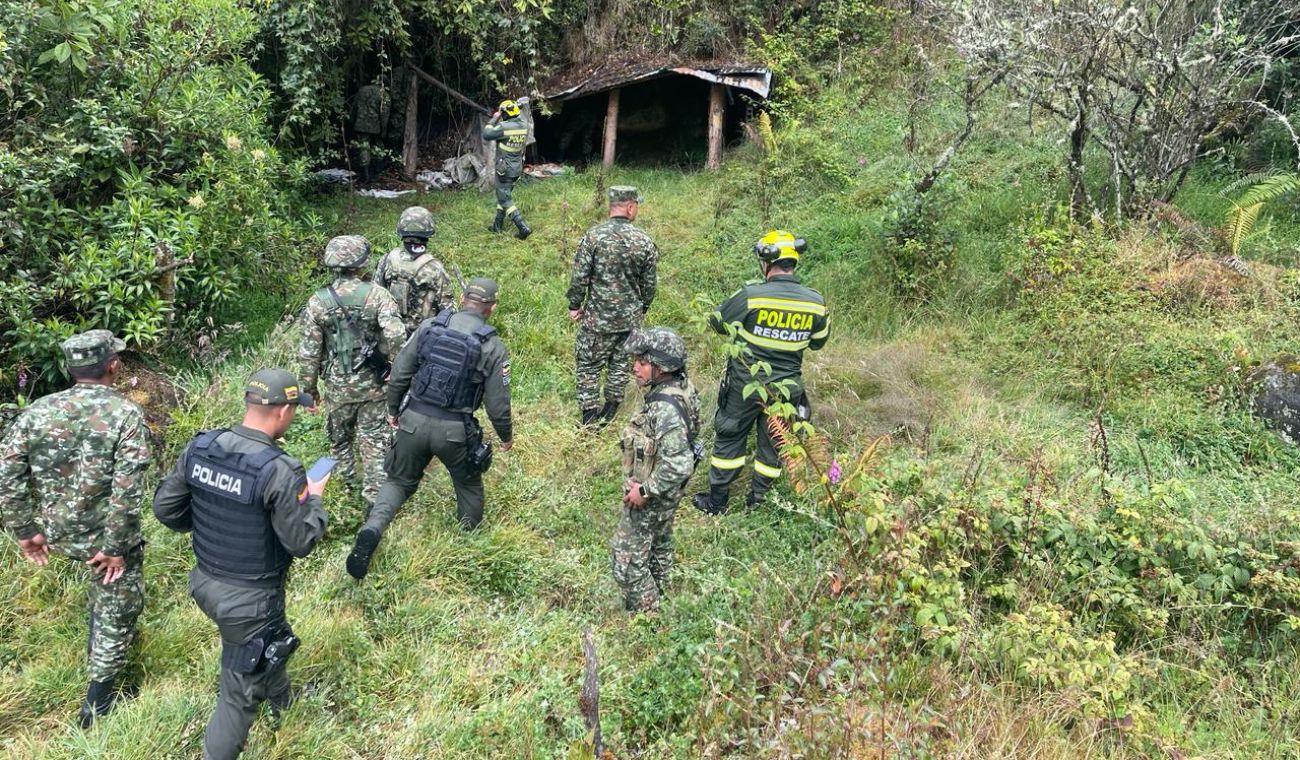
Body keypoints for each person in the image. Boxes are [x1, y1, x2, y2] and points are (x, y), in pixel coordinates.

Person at [152, 368, 329, 760]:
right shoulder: (280, 470)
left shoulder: (202, 447)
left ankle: (283, 702)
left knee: (270, 637)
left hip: (205, 583)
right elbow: (300, 542)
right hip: (248, 600)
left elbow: (166, 510)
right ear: (283, 412)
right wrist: (313, 499)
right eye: (293, 411)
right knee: (236, 699)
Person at [0, 329, 149, 727]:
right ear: (113, 366)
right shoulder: (125, 414)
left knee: (106, 603)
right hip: (105, 541)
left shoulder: (37, 411)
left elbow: (8, 475)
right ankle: (98, 706)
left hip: (57, 530)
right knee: (117, 608)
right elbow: (127, 488)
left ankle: (98, 656)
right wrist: (116, 546)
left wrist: (25, 530)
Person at [347, 278, 514, 579]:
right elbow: (497, 403)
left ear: (463, 298)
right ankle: (467, 544)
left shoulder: (430, 328)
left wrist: (394, 411)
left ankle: (372, 528)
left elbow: (399, 373)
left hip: (413, 420)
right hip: (455, 431)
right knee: (468, 484)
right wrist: (506, 437)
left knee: (398, 481)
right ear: (492, 308)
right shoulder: (492, 345)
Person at [693, 230, 829, 515]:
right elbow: (818, 343)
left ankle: (717, 502)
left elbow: (717, 322)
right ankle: (758, 503)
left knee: (730, 435)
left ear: (766, 261)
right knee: (773, 445)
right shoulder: (815, 302)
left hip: (745, 384)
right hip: (788, 388)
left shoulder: (751, 296)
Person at [298, 234, 405, 509]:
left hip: (337, 388)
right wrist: (395, 368)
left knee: (340, 441)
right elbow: (396, 335)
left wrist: (309, 392)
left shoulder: (317, 302)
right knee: (374, 442)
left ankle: (347, 491)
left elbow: (309, 354)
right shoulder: (378, 295)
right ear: (362, 264)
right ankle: (374, 501)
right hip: (373, 388)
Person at [611, 327, 700, 612]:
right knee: (659, 543)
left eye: (643, 362)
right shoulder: (682, 387)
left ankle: (648, 618)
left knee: (625, 560)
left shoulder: (665, 408)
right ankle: (661, 593)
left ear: (662, 368)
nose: (635, 368)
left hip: (653, 492)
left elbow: (679, 462)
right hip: (667, 493)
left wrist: (645, 491)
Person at [567, 185, 658, 427]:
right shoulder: (644, 241)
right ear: (630, 207)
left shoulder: (593, 237)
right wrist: (643, 307)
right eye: (636, 205)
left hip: (598, 320)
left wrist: (575, 305)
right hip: (629, 320)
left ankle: (588, 417)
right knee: (620, 364)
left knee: (588, 364)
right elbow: (649, 285)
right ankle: (609, 412)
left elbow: (579, 277)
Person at [375, 206, 456, 333]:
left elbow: (376, 296)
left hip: (391, 334)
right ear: (429, 231)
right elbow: (448, 310)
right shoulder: (435, 268)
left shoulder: (387, 260)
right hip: (422, 337)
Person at [481, 98, 532, 239]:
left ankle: (523, 227)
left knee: (505, 200)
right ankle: (497, 225)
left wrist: (494, 119)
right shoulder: (524, 125)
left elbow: (487, 134)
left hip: (505, 169)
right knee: (503, 195)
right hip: (517, 168)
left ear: (506, 114)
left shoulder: (504, 127)